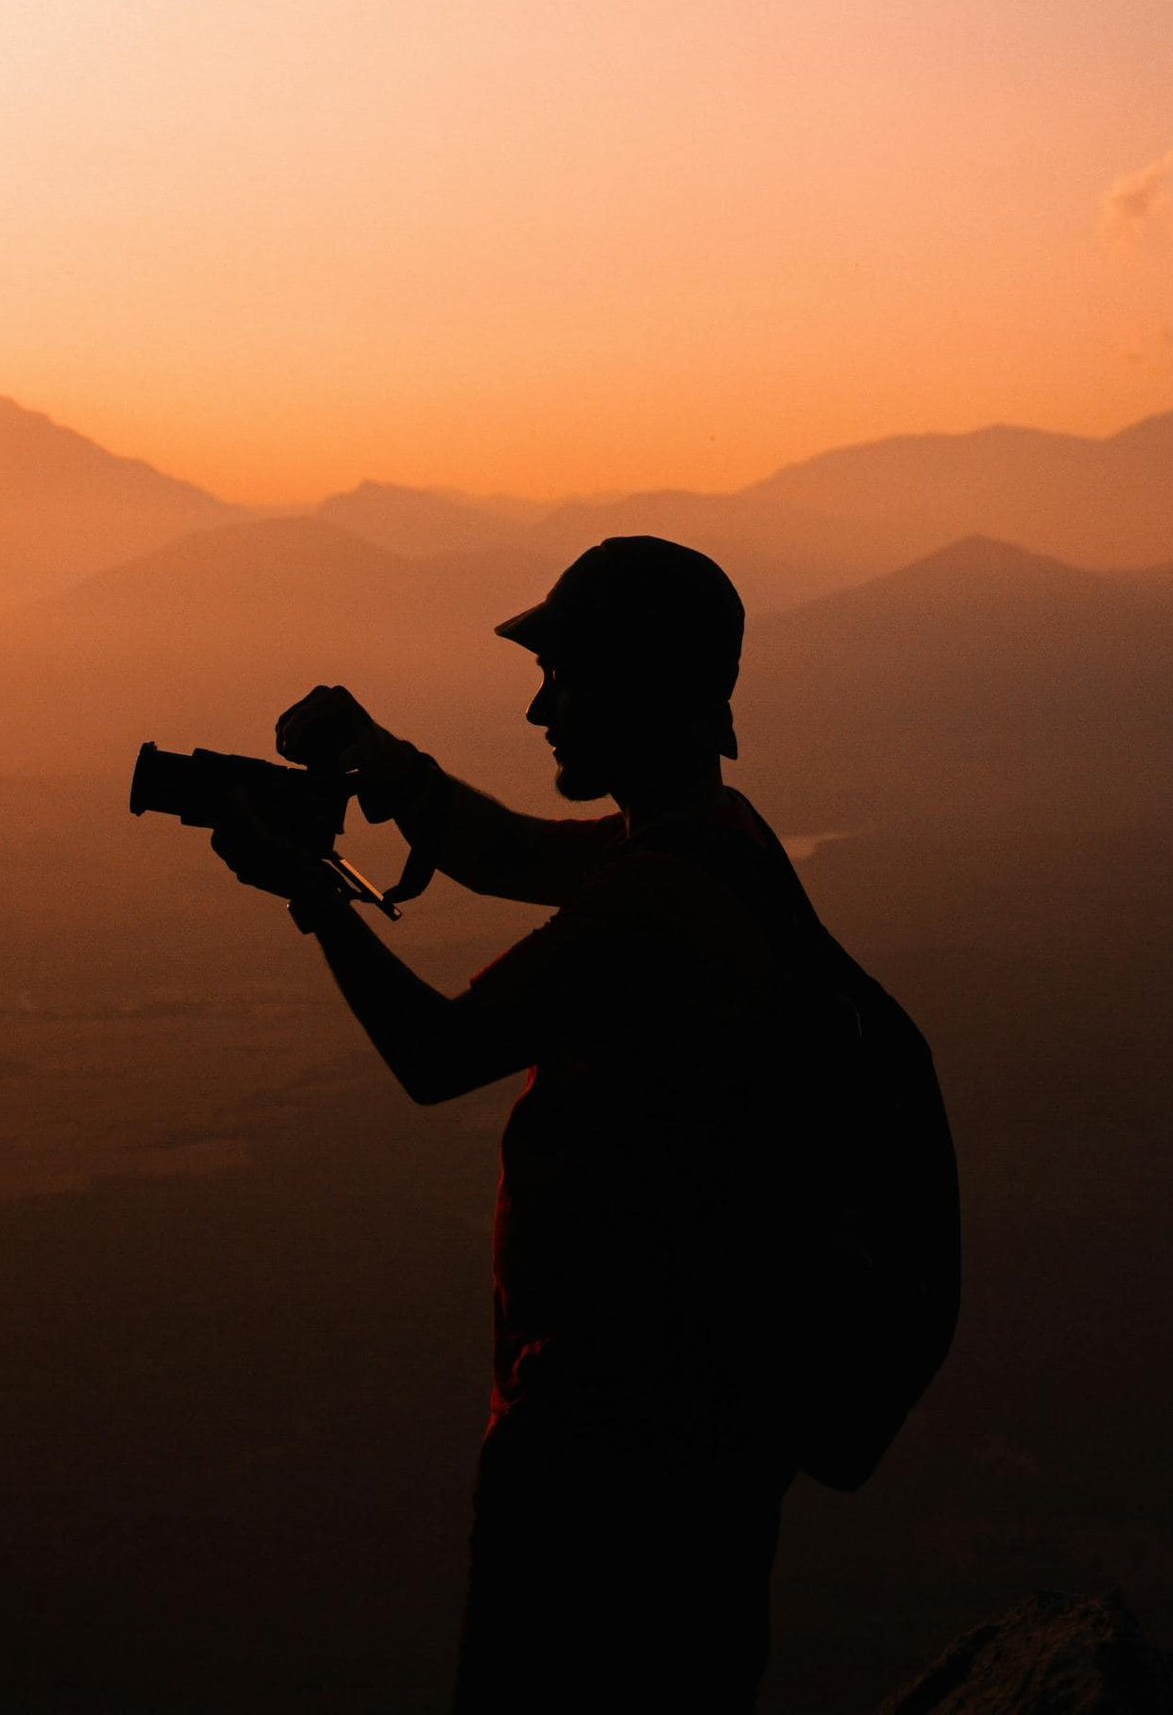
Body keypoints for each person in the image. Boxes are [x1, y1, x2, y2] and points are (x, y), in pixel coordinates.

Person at [209, 535, 813, 1712]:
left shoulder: (657, 904)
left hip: (607, 1437)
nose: (540, 708)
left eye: (565, 678)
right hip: (703, 1425)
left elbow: (436, 1057)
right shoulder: (719, 842)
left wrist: (313, 898)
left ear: (636, 690)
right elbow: (509, 854)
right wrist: (381, 765)